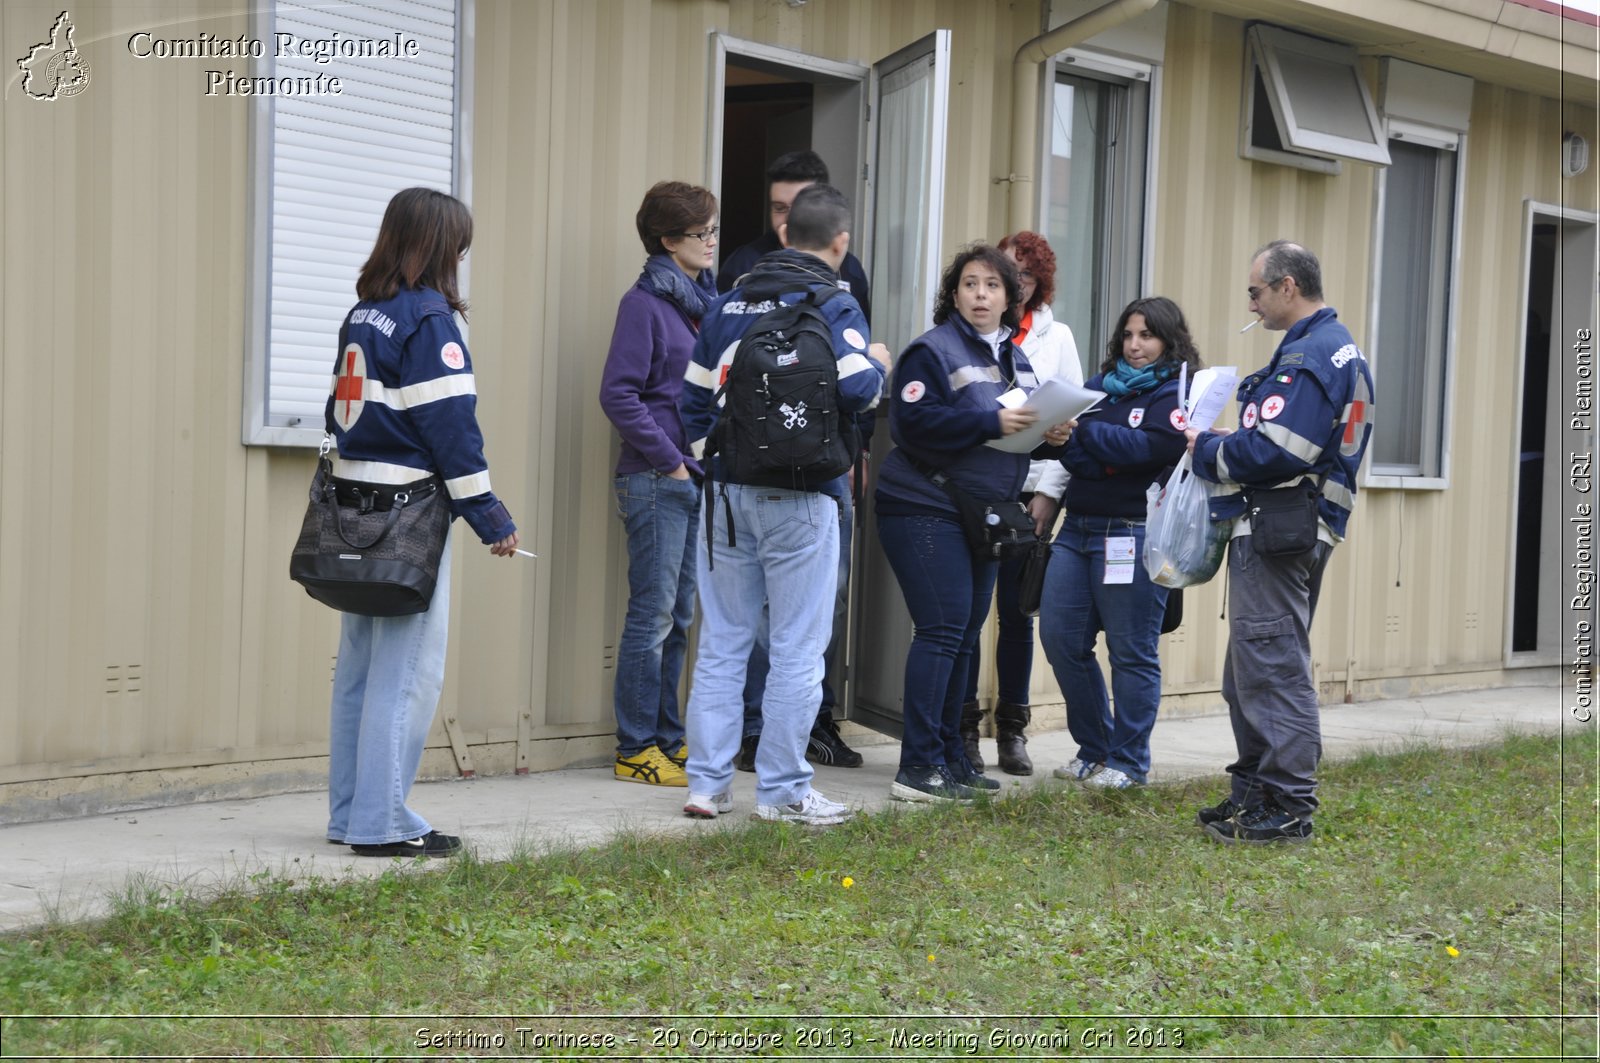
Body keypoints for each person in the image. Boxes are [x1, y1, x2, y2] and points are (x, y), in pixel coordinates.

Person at [678, 183, 889, 825]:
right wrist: (877, 362)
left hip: (725, 496)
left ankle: (706, 787)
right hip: (805, 497)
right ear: (840, 242)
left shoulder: (725, 303)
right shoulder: (835, 302)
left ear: (783, 233)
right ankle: (784, 791)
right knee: (798, 646)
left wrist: (709, 469)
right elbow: (858, 392)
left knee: (722, 643)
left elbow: (689, 405)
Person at [324, 187, 520, 858]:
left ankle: (350, 812)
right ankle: (382, 824)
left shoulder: (364, 313)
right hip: (409, 517)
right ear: (440, 247)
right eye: (458, 245)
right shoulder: (429, 320)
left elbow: (341, 413)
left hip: (353, 513)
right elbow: (450, 430)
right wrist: (489, 515)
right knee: (405, 674)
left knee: (358, 667)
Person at [1187, 240, 1375, 844]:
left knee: (1270, 668)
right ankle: (1255, 793)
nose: (1252, 301)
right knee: (1249, 670)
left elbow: (1278, 448)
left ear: (1287, 286)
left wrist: (1209, 449)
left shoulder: (1309, 354)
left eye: (1256, 290)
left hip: (1279, 525)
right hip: (1294, 523)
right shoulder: (1335, 345)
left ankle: (1288, 807)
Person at [874, 244, 1074, 804]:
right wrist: (992, 419)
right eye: (969, 284)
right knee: (940, 632)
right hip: (924, 505)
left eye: (992, 285)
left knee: (964, 636)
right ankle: (916, 768)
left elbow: (1025, 422)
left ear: (1012, 296)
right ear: (954, 294)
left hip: (983, 515)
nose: (980, 294)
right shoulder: (931, 351)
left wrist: (1054, 433)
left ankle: (952, 758)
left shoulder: (1016, 355)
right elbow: (912, 424)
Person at [724, 150, 874, 773]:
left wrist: (856, 453)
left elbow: (848, 381)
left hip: (825, 466)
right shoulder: (741, 270)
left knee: (818, 614)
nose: (788, 223)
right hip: (753, 474)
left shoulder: (847, 277)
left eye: (799, 208)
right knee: (765, 623)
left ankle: (817, 725)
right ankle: (759, 737)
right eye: (778, 209)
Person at [1041, 297, 1200, 791]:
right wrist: (1096, 450)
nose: (1135, 345)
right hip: (1078, 529)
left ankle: (1129, 764)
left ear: (1168, 341)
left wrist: (1085, 434)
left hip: (1133, 533)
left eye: (1147, 336)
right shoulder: (1098, 388)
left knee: (1131, 652)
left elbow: (1155, 448)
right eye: (1129, 335)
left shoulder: (1178, 392)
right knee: (1062, 640)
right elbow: (1073, 457)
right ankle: (1094, 750)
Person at [598, 181, 718, 787]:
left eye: (713, 231)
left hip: (688, 479)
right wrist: (671, 459)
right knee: (652, 618)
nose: (712, 243)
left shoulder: (696, 304)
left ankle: (669, 742)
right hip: (654, 479)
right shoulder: (643, 304)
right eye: (703, 234)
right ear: (669, 240)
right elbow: (618, 394)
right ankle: (635, 747)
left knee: (679, 613)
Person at [959, 231, 1084, 776]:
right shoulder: (970, 334)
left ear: (1038, 285)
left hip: (1029, 491)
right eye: (1006, 274)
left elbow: (1071, 418)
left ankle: (1012, 729)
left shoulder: (1057, 338)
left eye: (1025, 278)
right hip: (976, 486)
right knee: (965, 616)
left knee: (1016, 614)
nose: (1014, 285)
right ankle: (962, 726)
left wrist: (1048, 495)